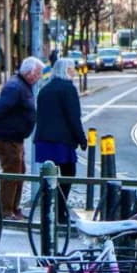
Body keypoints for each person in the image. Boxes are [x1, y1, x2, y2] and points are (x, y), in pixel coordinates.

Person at [0, 56, 43, 220]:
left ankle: (14, 208)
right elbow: (2, 105)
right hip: (7, 137)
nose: (39, 77)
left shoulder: (22, 85)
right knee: (11, 171)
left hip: (16, 137)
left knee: (20, 171)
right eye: (37, 73)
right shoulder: (15, 86)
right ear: (29, 72)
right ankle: (6, 211)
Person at [34, 58, 87, 211]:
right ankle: (60, 210)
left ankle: (49, 210)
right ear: (66, 70)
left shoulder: (45, 88)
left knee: (50, 177)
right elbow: (73, 117)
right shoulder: (68, 89)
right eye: (72, 69)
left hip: (44, 140)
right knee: (68, 174)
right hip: (61, 142)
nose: (74, 72)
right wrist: (82, 139)